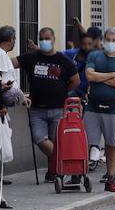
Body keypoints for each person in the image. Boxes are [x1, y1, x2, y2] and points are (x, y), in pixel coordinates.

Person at [16, 27, 79, 181]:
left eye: (47, 38)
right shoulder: (32, 57)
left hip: (58, 109)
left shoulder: (64, 60)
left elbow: (75, 81)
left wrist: (62, 91)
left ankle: (53, 171)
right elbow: (11, 63)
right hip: (37, 109)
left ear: (53, 39)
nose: (44, 41)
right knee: (40, 138)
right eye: (42, 38)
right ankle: (66, 165)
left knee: (56, 141)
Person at [84, 28, 115, 193]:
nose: (111, 42)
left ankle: (111, 179)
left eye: (114, 40)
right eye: (108, 39)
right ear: (103, 41)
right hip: (93, 107)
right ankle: (80, 174)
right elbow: (89, 76)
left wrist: (99, 77)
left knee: (112, 145)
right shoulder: (94, 56)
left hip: (113, 108)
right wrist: (111, 74)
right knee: (89, 142)